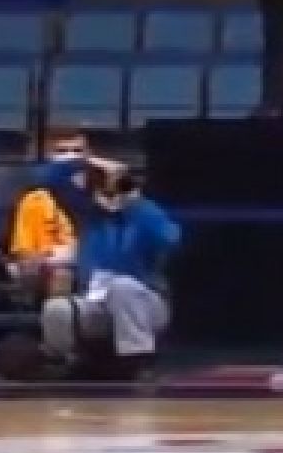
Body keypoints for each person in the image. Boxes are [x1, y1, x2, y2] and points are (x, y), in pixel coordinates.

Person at [35, 155, 180, 380]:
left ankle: (138, 361)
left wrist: (134, 204)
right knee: (57, 308)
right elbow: (50, 178)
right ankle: (65, 362)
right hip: (95, 301)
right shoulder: (88, 215)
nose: (109, 195)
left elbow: (170, 239)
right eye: (104, 189)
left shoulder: (145, 213)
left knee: (121, 287)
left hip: (146, 302)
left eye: (115, 189)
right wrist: (86, 161)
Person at [8, 127, 83, 302]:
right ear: (48, 157)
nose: (71, 157)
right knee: (62, 274)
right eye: (62, 151)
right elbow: (27, 258)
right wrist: (60, 256)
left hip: (96, 270)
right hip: (52, 270)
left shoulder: (103, 197)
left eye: (77, 151)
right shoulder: (35, 201)